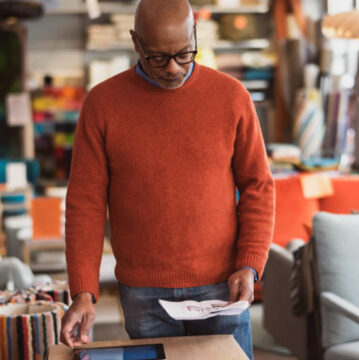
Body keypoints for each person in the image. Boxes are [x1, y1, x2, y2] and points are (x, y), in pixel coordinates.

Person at [59, 0, 275, 358]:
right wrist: (84, 291)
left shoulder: (232, 97)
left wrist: (250, 264)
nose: (173, 68)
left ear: (195, 35)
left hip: (222, 287)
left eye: (184, 54)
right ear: (135, 43)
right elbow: (85, 203)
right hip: (143, 292)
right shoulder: (103, 104)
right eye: (157, 57)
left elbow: (258, 186)